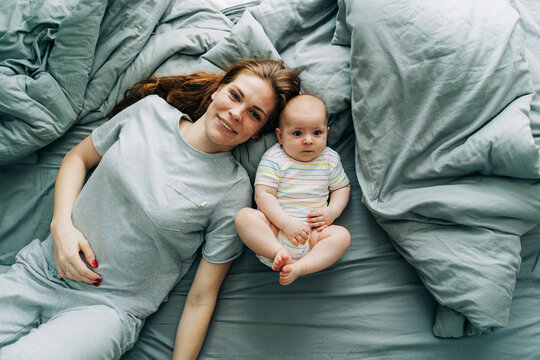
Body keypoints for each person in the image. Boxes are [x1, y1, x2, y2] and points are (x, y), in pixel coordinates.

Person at [0, 59, 300, 360]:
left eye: (254, 114)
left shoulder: (233, 191)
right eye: (235, 96)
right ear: (218, 91)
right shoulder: (149, 112)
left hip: (104, 310)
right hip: (39, 271)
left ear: (257, 134)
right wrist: (61, 226)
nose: (236, 113)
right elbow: (78, 158)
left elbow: (201, 296)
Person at [235, 94, 351, 286]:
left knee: (342, 236)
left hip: (313, 236)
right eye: (297, 134)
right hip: (275, 231)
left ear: (326, 132)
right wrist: (286, 224)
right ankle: (277, 252)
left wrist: (333, 211)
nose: (308, 140)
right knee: (244, 217)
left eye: (317, 133)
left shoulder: (329, 159)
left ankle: (300, 268)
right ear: (280, 136)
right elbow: (263, 195)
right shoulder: (275, 158)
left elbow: (342, 187)